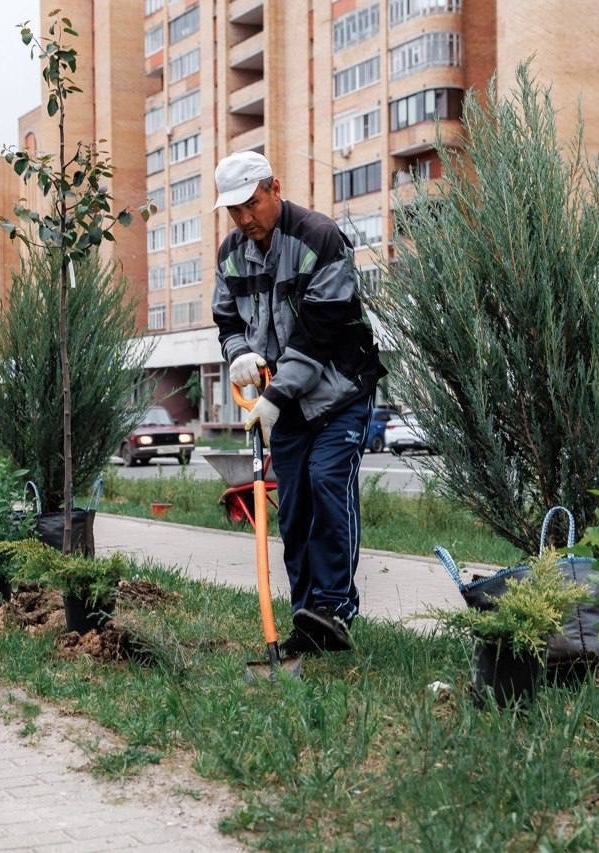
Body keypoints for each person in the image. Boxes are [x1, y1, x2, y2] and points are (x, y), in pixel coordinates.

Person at [211, 151, 385, 656]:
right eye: (234, 211)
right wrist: (239, 353)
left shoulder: (318, 237)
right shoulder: (230, 255)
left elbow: (318, 335)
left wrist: (272, 399)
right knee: (294, 510)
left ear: (274, 189)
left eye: (252, 204)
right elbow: (227, 322)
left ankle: (335, 607)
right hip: (283, 405)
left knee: (326, 483)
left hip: (339, 392)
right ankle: (307, 621)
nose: (245, 219)